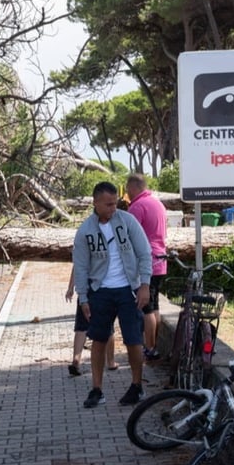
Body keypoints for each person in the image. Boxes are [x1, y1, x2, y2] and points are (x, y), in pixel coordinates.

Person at [73, 181, 153, 408]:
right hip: (100, 291)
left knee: (133, 340)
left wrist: (144, 284)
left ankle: (137, 386)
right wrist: (84, 297)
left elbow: (144, 253)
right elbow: (80, 267)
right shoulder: (85, 231)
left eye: (115, 203)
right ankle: (96, 389)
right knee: (98, 339)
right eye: (108, 204)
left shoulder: (128, 222)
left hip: (129, 290)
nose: (113, 208)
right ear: (95, 203)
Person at [125, 173, 168, 361]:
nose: (127, 193)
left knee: (147, 309)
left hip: (146, 262)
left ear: (134, 187)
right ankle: (154, 344)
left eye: (127, 189)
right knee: (155, 305)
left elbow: (129, 237)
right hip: (161, 259)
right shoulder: (157, 203)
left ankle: (150, 347)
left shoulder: (137, 206)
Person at [65, 267, 117, 376]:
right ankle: (111, 361)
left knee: (82, 326)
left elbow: (77, 266)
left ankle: (76, 359)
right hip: (103, 285)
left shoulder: (82, 249)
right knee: (107, 325)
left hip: (85, 287)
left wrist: (70, 287)